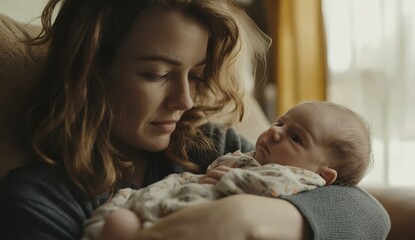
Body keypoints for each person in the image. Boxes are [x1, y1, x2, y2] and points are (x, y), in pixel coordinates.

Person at [0, 0, 390, 239]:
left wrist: (253, 217)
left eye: (196, 76)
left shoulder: (210, 146)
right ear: (90, 73)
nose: (184, 100)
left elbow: (370, 215)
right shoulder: (41, 200)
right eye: (156, 74)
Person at [82, 100, 373, 240]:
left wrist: (239, 210)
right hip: (164, 207)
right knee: (118, 218)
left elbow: (370, 213)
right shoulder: (47, 196)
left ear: (323, 175)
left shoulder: (290, 174)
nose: (274, 133)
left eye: (295, 137)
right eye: (280, 123)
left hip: (191, 217)